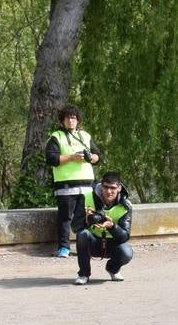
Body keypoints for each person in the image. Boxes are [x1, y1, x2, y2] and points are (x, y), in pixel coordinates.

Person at [44, 104, 100, 259]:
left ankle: (86, 247)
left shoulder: (85, 136)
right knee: (65, 219)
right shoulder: (56, 137)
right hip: (66, 186)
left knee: (87, 219)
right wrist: (72, 157)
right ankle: (63, 248)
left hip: (87, 186)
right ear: (62, 120)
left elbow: (98, 156)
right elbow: (52, 158)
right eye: (68, 117)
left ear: (78, 120)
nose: (71, 120)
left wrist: (90, 158)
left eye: (74, 117)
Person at [73, 171, 133, 285]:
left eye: (113, 188)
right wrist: (86, 221)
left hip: (112, 244)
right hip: (92, 242)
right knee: (82, 234)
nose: (109, 191)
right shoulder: (86, 198)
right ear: (101, 186)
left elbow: (124, 237)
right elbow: (75, 227)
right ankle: (83, 274)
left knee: (127, 252)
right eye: (105, 187)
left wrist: (112, 226)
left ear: (119, 188)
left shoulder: (126, 206)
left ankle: (112, 269)